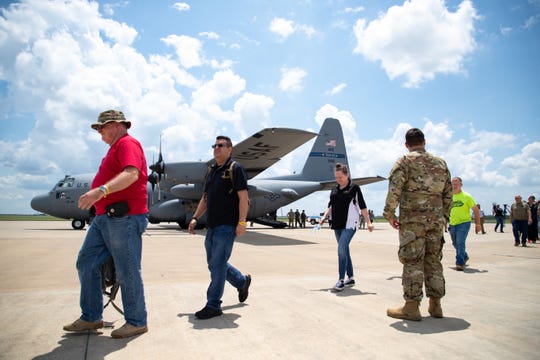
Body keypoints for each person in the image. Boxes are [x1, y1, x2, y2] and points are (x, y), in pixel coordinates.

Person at [63, 110, 149, 338]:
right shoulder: (114, 149)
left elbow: (131, 174)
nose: (99, 132)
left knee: (127, 269)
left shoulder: (127, 144)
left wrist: (101, 190)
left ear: (116, 124)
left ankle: (137, 321)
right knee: (87, 262)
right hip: (104, 219)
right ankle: (91, 317)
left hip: (123, 218)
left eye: (101, 127)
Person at [383, 128, 452, 321]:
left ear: (407, 144)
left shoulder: (404, 162)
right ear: (424, 142)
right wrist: (444, 216)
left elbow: (394, 189)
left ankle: (411, 308)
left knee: (413, 261)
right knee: (433, 261)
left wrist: (389, 213)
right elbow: (448, 194)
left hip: (413, 223)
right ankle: (436, 305)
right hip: (436, 222)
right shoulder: (441, 163)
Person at [188, 135, 251, 319]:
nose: (216, 148)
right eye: (214, 145)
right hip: (212, 226)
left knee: (217, 265)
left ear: (230, 149)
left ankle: (213, 304)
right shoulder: (212, 170)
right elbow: (205, 198)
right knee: (214, 264)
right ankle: (241, 281)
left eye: (221, 145)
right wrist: (194, 218)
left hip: (227, 226)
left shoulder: (235, 168)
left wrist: (241, 222)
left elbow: (243, 198)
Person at [320, 163, 373, 291]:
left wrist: (368, 222)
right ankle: (351, 277)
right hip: (337, 224)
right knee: (345, 250)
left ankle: (341, 280)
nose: (338, 180)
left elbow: (363, 206)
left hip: (350, 225)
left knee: (341, 249)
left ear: (347, 175)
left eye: (340, 177)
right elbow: (330, 206)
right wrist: (324, 217)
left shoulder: (354, 188)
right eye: (336, 177)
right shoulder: (334, 189)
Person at [449, 177, 481, 271]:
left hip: (464, 223)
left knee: (460, 242)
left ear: (461, 185)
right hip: (452, 223)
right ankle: (464, 256)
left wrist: (478, 224)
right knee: (455, 243)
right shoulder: (449, 196)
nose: (454, 185)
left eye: (456, 183)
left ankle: (459, 263)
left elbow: (475, 210)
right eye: (453, 184)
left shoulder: (467, 196)